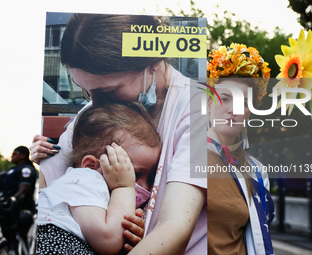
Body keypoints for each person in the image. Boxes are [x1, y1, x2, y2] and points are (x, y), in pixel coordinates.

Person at [30, 13, 206, 254]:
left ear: (152, 62)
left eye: (108, 90)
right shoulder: (92, 112)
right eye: (85, 91)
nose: (94, 103)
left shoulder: (199, 108)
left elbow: (174, 227)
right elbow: (48, 189)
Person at [36, 103, 161, 254]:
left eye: (151, 177)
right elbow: (108, 241)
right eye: (134, 173)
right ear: (91, 165)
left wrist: (129, 236)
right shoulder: (85, 179)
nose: (145, 188)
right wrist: (124, 187)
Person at [206, 43, 275, 254]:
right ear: (208, 104)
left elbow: (259, 236)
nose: (233, 110)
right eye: (225, 99)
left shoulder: (257, 171)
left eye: (243, 102)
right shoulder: (182, 154)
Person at [0, 146, 37, 253]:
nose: (12, 155)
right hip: (6, 210)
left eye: (15, 153)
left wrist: (10, 200)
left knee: (17, 239)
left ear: (23, 155)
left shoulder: (26, 169)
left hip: (21, 209)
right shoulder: (11, 170)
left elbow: (23, 190)